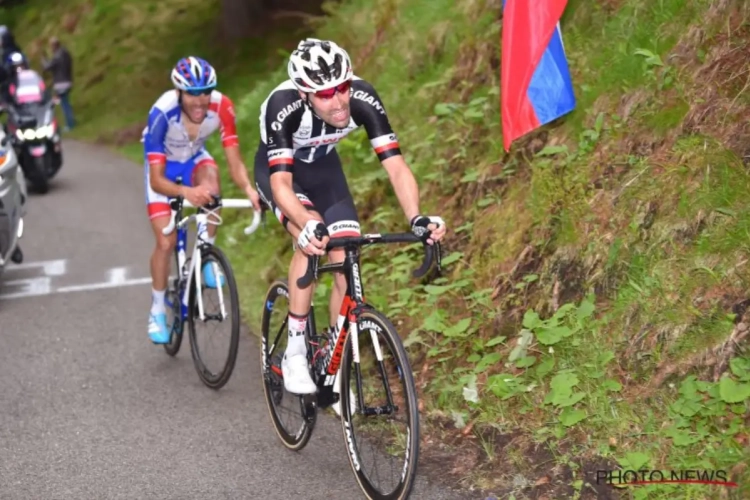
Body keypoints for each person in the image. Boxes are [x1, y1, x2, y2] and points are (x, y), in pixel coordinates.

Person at [254, 38, 446, 396]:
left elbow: (397, 168)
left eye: (342, 88)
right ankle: (295, 348)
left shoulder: (362, 97)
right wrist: (306, 222)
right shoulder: (284, 106)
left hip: (325, 170)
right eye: (325, 95)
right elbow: (280, 183)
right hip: (281, 173)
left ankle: (334, 356)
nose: (339, 101)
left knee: (345, 253)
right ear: (304, 94)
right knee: (312, 241)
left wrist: (417, 217)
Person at [142, 56, 261, 344]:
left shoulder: (222, 107)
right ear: (179, 93)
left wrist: (249, 190)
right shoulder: (162, 113)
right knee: (165, 242)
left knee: (211, 181)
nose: (200, 101)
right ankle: (157, 308)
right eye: (193, 94)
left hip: (195, 160)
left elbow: (234, 160)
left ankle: (206, 253)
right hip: (163, 169)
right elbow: (157, 180)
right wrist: (185, 193)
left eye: (206, 92)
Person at [41, 37, 75, 131]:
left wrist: (43, 59)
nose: (51, 48)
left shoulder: (57, 56)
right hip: (68, 81)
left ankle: (70, 124)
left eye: (51, 46)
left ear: (54, 46)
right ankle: (71, 122)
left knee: (64, 104)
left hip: (61, 84)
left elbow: (48, 67)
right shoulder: (66, 53)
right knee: (66, 102)